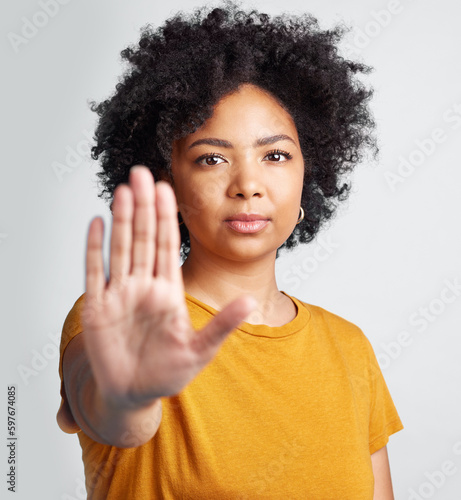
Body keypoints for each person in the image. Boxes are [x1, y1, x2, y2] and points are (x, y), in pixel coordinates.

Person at [56, 2, 404, 498]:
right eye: (212, 158)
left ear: (310, 174)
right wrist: (129, 395)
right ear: (168, 182)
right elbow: (114, 417)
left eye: (275, 155)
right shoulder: (118, 319)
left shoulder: (349, 348)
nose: (248, 184)